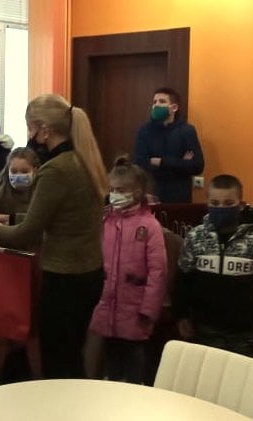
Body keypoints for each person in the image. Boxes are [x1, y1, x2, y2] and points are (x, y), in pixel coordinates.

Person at [0, 94, 109, 379]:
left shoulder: (55, 169)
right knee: (72, 356)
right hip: (90, 274)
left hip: (64, 279)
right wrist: (11, 219)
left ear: (43, 129)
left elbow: (28, 233)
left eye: (29, 127)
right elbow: (63, 217)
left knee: (57, 363)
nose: (29, 135)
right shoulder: (84, 159)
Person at [172, 174, 253, 356]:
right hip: (204, 328)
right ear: (208, 203)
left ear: (240, 205)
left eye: (228, 203)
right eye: (215, 203)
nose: (221, 208)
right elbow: (183, 279)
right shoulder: (195, 237)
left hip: (245, 331)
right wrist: (181, 315)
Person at [88, 156, 167, 384]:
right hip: (107, 305)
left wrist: (149, 310)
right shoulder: (105, 221)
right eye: (112, 189)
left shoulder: (149, 226)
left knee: (134, 361)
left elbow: (158, 271)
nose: (115, 194)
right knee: (111, 360)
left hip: (136, 308)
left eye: (121, 190)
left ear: (137, 192)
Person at [0, 147, 40, 384]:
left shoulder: (42, 194)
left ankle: (19, 364)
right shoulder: (1, 194)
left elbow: (39, 227)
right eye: (14, 171)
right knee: (11, 315)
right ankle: (16, 362)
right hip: (9, 261)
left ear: (35, 170)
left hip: (36, 261)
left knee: (30, 315)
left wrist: (11, 223)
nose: (18, 176)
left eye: (24, 171)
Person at [133, 87, 204, 203]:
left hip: (181, 196)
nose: (156, 105)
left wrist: (159, 161)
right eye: (154, 102)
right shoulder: (144, 131)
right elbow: (139, 163)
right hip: (153, 192)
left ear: (174, 108)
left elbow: (197, 166)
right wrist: (181, 163)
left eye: (162, 101)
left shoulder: (187, 131)